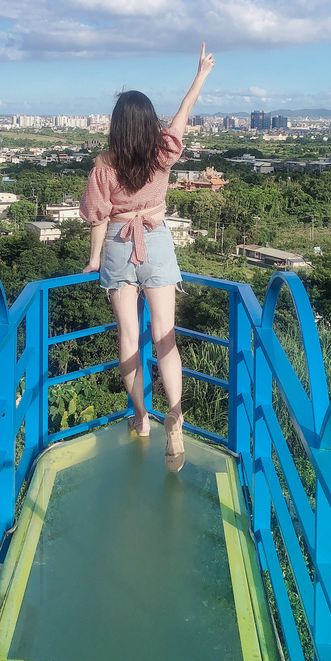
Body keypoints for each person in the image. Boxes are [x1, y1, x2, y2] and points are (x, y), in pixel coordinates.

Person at [80, 43, 215, 472]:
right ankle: (174, 410)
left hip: (120, 246)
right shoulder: (164, 152)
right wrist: (200, 75)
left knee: (129, 338)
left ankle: (141, 417)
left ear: (117, 125)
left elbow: (98, 217)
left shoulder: (104, 163)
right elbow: (184, 113)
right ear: (148, 121)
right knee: (166, 336)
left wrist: (94, 259)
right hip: (156, 241)